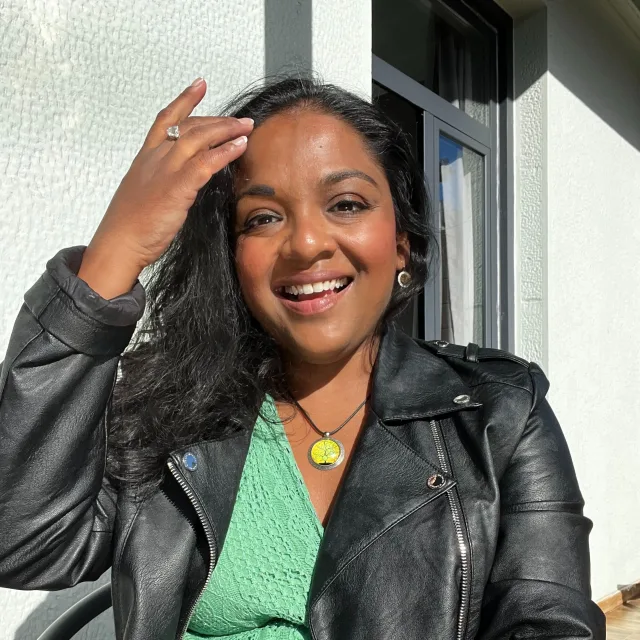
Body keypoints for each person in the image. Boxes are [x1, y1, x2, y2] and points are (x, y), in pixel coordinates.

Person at [0, 74, 605, 640]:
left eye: (345, 203)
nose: (307, 243)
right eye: (262, 218)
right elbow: (23, 543)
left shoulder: (499, 414)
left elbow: (547, 622)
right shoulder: (170, 411)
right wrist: (116, 252)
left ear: (403, 244)